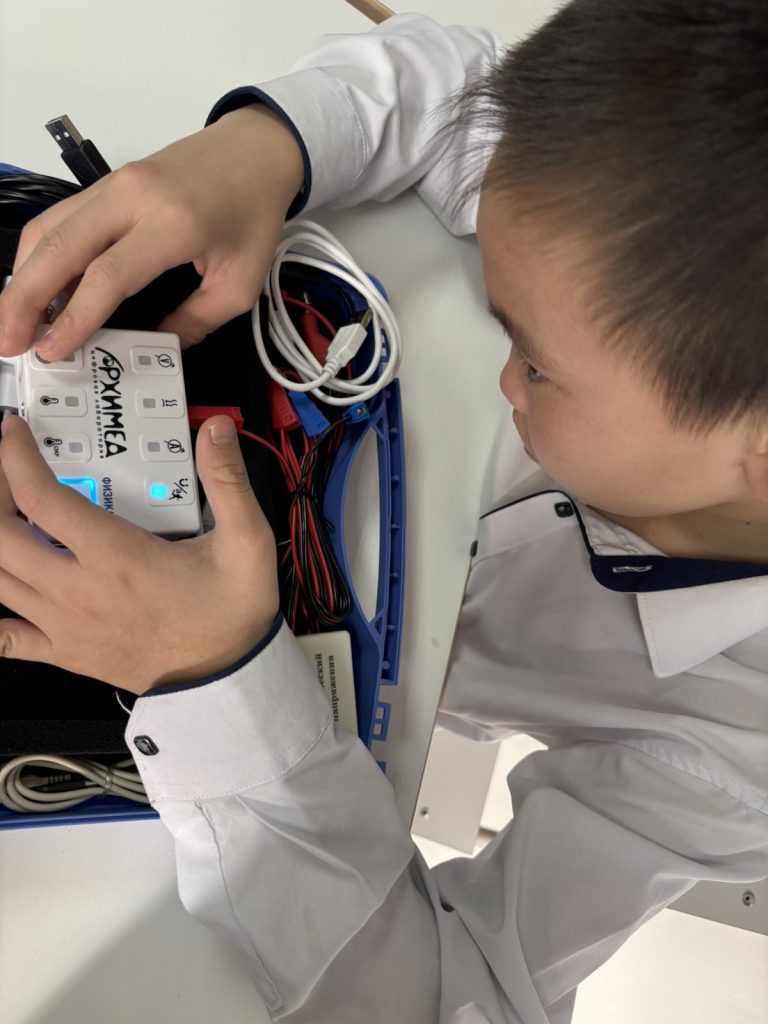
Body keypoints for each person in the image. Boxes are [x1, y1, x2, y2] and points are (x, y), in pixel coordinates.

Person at [1, 4, 767, 1021]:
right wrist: (264, 146)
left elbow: (447, 998)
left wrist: (215, 682)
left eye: (537, 362)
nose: (506, 381)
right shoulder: (659, 198)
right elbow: (460, 83)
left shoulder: (739, 755)